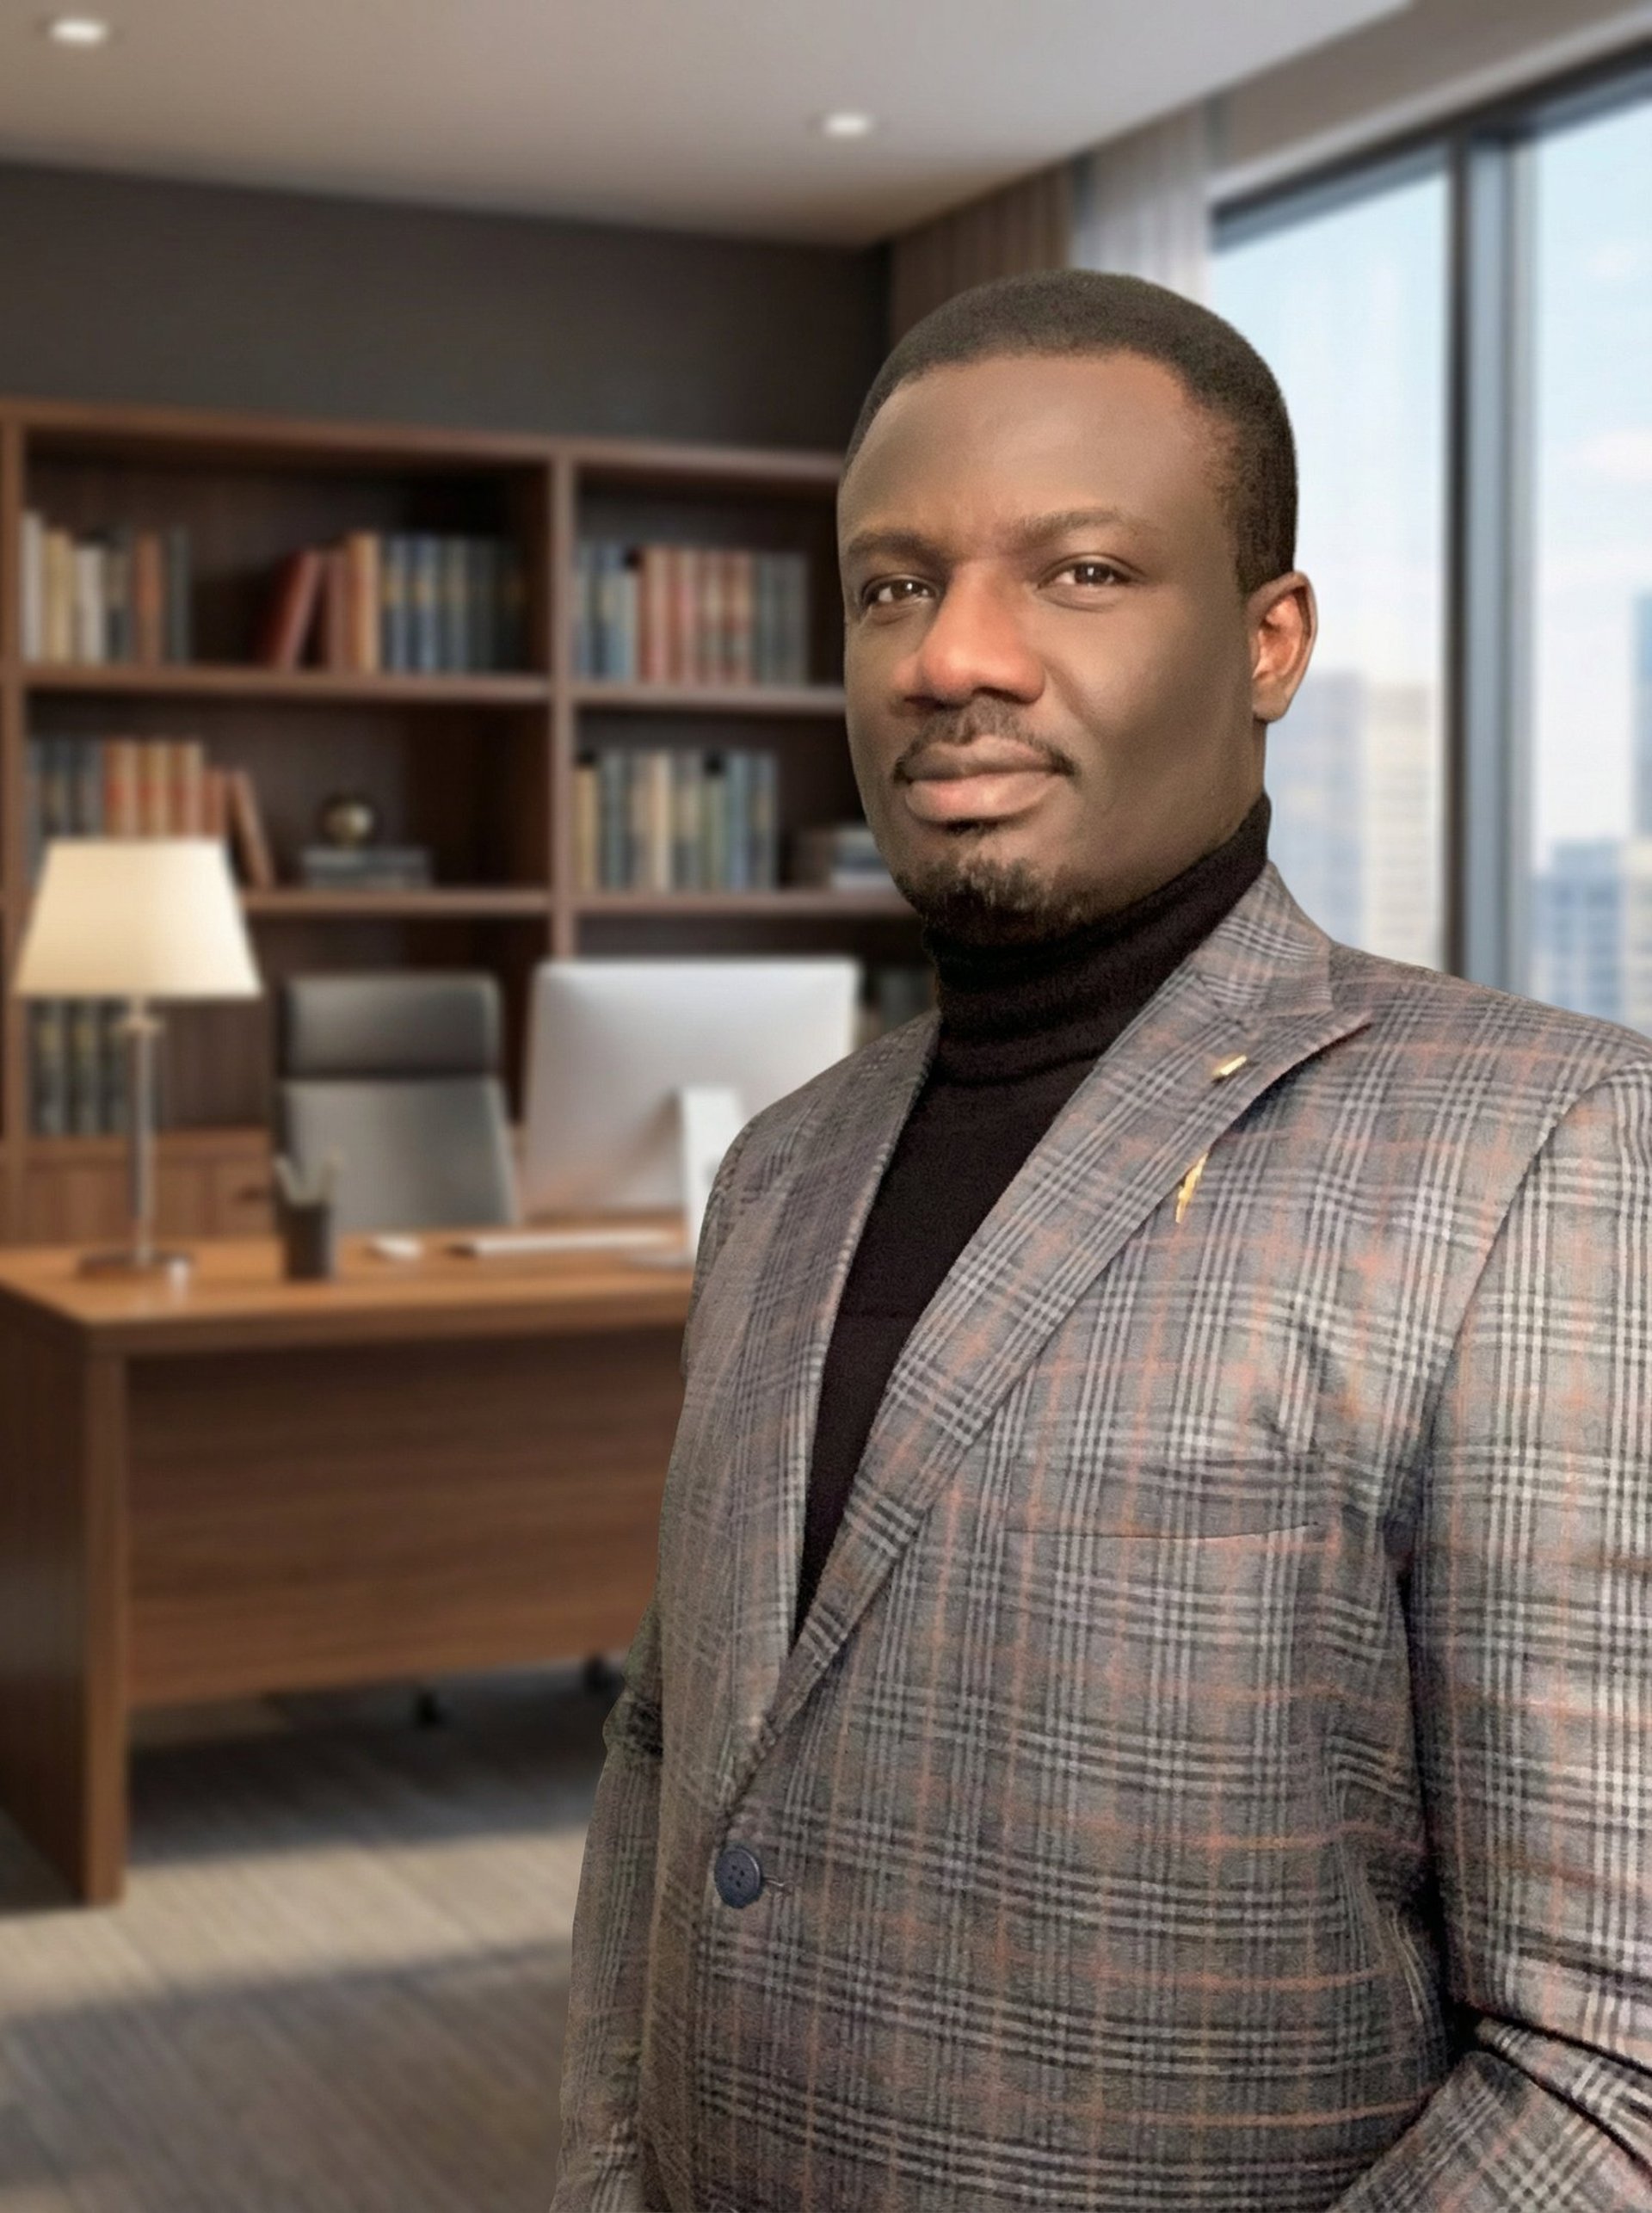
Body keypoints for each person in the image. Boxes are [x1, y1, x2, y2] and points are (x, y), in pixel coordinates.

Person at [552, 270, 1652, 2211]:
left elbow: (1604, 2060)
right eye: (892, 585)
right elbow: (671, 1764)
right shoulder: (781, 1173)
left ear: (1268, 639)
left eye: (1077, 572)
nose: (949, 655)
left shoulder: (1547, 1145)